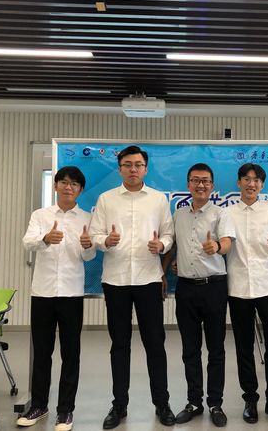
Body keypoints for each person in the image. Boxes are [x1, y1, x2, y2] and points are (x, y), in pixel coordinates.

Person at [88, 145, 176, 429]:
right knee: (119, 345)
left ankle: (162, 403)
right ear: (120, 168)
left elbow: (169, 233)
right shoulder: (106, 199)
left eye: (138, 164)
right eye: (128, 164)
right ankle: (119, 406)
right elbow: (94, 234)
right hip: (116, 281)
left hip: (148, 279)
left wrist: (162, 244)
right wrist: (105, 241)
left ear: (146, 169)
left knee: (155, 344)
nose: (133, 169)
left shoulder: (158, 199)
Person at [19, 166, 95, 431]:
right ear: (55, 186)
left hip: (71, 293)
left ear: (80, 190)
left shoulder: (87, 217)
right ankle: (39, 406)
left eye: (74, 184)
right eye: (63, 182)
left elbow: (89, 257)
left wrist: (88, 246)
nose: (68, 187)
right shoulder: (40, 215)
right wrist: (45, 238)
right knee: (42, 352)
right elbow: (27, 242)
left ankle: (65, 411)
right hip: (43, 292)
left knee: (70, 354)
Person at [162, 163, 235, 427]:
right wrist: (163, 272)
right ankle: (194, 402)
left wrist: (216, 245)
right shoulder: (179, 214)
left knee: (216, 350)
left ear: (212, 186)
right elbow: (173, 246)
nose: (200, 185)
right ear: (188, 184)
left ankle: (215, 403)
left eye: (205, 181)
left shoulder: (220, 213)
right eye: (195, 180)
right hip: (186, 289)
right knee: (190, 349)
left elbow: (227, 242)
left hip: (214, 287)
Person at [226, 163, 268, 426]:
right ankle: (250, 400)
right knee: (244, 348)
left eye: (256, 180)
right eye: (246, 179)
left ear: (262, 185)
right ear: (239, 183)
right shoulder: (227, 213)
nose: (251, 184)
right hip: (238, 288)